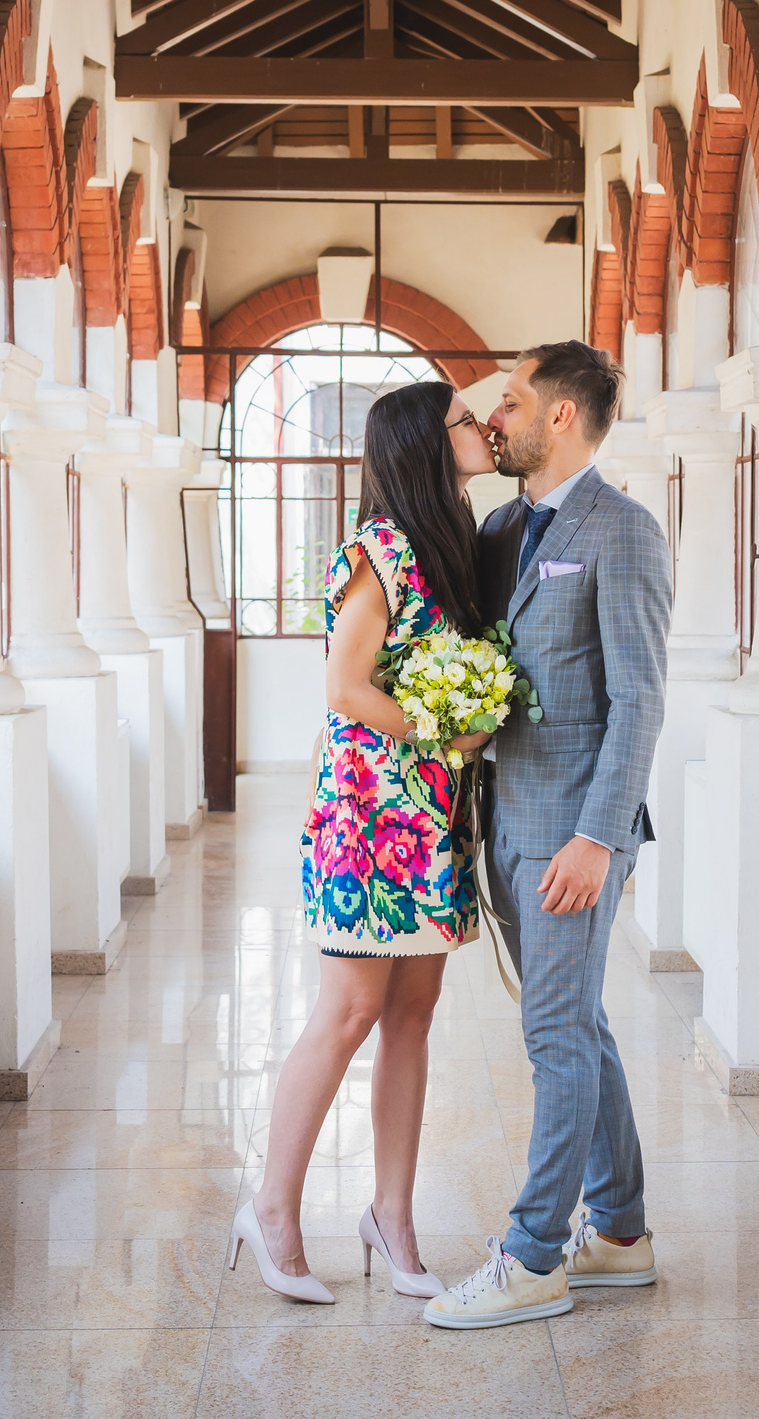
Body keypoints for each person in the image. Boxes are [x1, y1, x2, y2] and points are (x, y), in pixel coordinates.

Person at [231, 381, 498, 1306]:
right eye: (465, 419)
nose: (482, 429)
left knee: (414, 1012)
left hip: (430, 819)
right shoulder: (378, 551)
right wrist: (444, 733)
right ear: (427, 443)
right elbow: (345, 688)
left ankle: (393, 1219)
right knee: (347, 1013)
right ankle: (270, 1208)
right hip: (368, 818)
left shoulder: (454, 545)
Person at [424, 340, 673, 1329]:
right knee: (578, 1025)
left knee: (553, 1038)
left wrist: (597, 838)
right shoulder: (498, 526)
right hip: (506, 825)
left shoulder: (625, 532)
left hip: (574, 838)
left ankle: (532, 1259)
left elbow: (641, 700)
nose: (499, 415)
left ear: (562, 415)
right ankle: (619, 1233)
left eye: (514, 399)